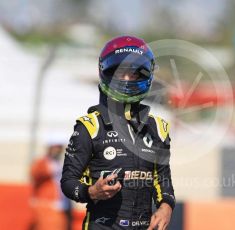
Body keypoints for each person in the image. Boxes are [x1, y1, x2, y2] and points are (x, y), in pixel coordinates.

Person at [61, 35, 175, 230]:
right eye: (121, 73)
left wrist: (166, 206)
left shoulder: (158, 128)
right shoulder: (90, 126)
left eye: (134, 74)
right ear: (107, 72)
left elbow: (163, 179)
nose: (127, 79)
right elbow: (68, 182)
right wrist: (91, 192)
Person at [30, 138, 72, 230]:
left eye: (59, 147)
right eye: (55, 147)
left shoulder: (60, 163)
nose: (57, 150)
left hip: (61, 205)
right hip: (48, 205)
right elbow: (35, 173)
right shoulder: (43, 162)